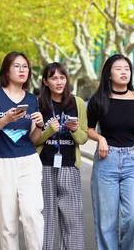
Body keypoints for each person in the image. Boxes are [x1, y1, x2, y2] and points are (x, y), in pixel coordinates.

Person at [0, 51, 45, 250]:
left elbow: (34, 139)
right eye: (17, 66)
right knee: (7, 224)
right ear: (6, 71)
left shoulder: (33, 99)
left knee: (32, 214)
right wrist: (5, 119)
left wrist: (41, 126)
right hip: (1, 163)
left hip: (28, 161)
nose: (22, 70)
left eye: (25, 66)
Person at [87, 54, 134, 250]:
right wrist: (100, 138)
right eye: (118, 68)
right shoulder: (99, 99)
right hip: (106, 161)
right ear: (109, 74)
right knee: (107, 222)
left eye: (127, 69)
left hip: (132, 161)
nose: (124, 72)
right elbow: (87, 129)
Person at [35, 62, 88, 250]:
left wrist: (74, 130)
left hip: (69, 166)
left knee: (72, 219)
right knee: (45, 219)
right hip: (44, 167)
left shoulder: (78, 103)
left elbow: (83, 138)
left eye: (62, 77)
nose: (59, 82)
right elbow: (33, 140)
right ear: (45, 81)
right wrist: (49, 130)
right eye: (54, 78)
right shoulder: (39, 104)